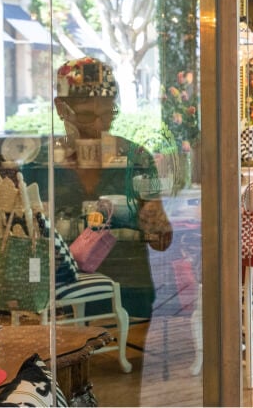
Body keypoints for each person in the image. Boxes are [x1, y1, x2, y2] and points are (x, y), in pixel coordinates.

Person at [23, 57, 172, 321]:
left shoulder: (136, 158)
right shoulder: (38, 165)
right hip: (59, 297)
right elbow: (24, 243)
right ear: (61, 108)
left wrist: (155, 222)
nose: (98, 126)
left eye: (107, 114)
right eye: (86, 115)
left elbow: (162, 241)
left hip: (128, 295)